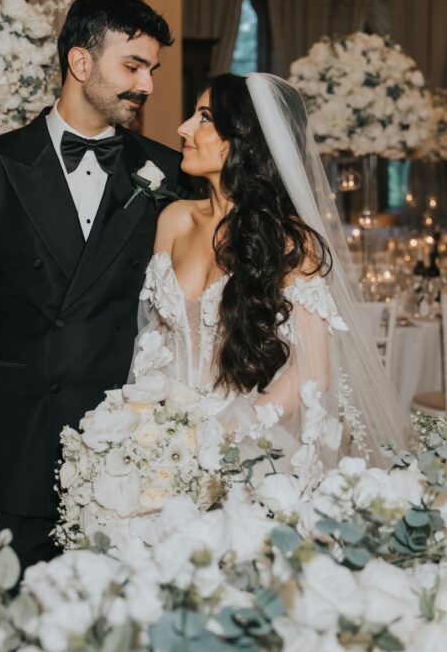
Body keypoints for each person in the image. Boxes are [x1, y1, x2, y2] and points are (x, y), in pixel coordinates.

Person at [0, 0, 185, 569]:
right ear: (80, 62)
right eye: (133, 65)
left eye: (152, 70)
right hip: (14, 441)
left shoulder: (166, 171)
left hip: (127, 453)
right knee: (11, 634)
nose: (146, 86)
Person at [133, 72, 409, 481]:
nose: (184, 128)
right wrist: (143, 422)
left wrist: (225, 434)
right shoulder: (174, 219)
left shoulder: (289, 242)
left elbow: (311, 373)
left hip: (245, 446)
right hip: (161, 443)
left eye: (205, 117)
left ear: (246, 138)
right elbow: (152, 337)